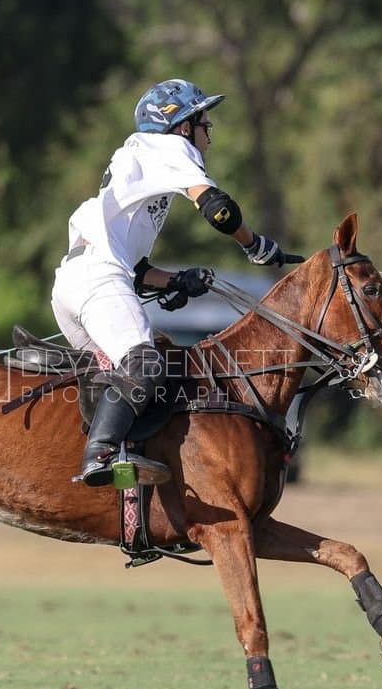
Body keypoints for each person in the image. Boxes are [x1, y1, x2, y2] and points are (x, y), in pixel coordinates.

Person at [51, 78, 301, 488]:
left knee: (127, 383)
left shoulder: (140, 159)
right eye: (204, 122)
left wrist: (175, 280)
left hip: (74, 284)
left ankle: (128, 483)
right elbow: (217, 209)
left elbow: (134, 270)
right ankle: (100, 456)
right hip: (97, 280)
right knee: (146, 364)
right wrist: (256, 246)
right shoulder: (169, 148)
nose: (208, 133)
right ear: (182, 126)